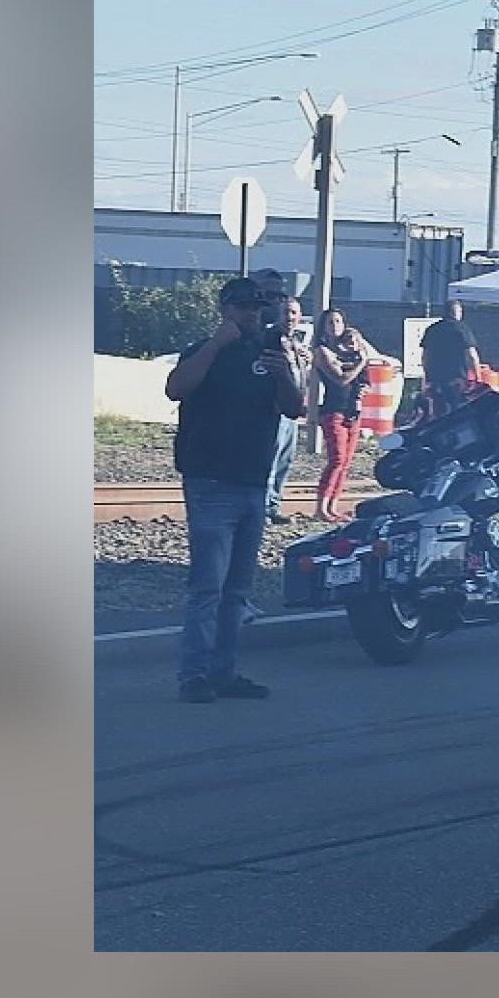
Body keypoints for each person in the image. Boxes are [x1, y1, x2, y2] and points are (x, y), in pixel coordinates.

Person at [163, 276, 307, 703]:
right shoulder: (204, 351)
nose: (252, 315)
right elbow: (176, 388)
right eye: (243, 308)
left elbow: (294, 408)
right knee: (208, 586)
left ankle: (224, 672)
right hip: (210, 480)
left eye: (258, 308)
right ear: (226, 310)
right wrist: (215, 344)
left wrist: (286, 377)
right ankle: (195, 674)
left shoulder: (270, 353)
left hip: (252, 483)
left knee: (237, 590)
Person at [311, 307, 371, 523]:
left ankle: (333, 505)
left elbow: (363, 379)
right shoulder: (322, 351)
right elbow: (340, 379)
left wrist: (363, 388)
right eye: (330, 322)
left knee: (346, 462)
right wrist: (361, 362)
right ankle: (321, 506)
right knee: (336, 459)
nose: (335, 326)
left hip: (352, 411)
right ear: (323, 328)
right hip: (333, 409)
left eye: (338, 321)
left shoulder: (351, 349)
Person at [258, 296, 308, 524]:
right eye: (286, 312)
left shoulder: (296, 343)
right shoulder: (269, 338)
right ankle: (263, 507)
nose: (290, 317)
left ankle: (274, 504)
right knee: (271, 457)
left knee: (285, 459)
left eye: (294, 313)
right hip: (275, 408)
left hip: (292, 409)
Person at [420, 299, 483, 407]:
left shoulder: (432, 329)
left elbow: (425, 357)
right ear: (457, 313)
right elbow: (472, 355)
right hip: (456, 379)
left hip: (436, 379)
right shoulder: (462, 329)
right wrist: (478, 377)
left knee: (438, 411)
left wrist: (426, 378)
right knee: (456, 410)